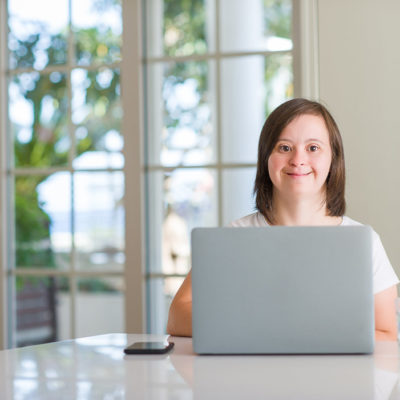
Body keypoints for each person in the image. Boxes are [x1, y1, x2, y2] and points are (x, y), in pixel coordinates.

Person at [166, 98, 399, 340]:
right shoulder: (234, 237)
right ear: (266, 157)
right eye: (284, 147)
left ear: (333, 159)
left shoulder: (364, 242)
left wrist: (308, 332)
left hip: (337, 376)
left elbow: (386, 332)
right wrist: (264, 327)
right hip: (252, 376)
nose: (298, 160)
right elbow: (176, 316)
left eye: (313, 148)